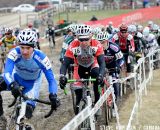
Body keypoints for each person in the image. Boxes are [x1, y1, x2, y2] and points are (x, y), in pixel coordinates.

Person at [0, 29, 59, 125]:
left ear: (34, 46)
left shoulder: (41, 58)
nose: (24, 51)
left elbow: (51, 80)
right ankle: (1, 117)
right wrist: (11, 84)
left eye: (28, 48)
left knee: (26, 112)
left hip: (31, 84)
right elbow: (7, 73)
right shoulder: (14, 53)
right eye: (22, 47)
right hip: (16, 78)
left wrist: (53, 95)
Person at [59, 25, 105, 114]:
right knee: (78, 93)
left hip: (93, 64)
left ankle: (97, 102)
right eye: (81, 40)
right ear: (77, 37)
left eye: (86, 39)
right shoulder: (73, 45)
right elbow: (65, 63)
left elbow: (102, 62)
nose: (84, 42)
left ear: (91, 36)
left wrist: (101, 75)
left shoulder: (96, 44)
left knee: (96, 76)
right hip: (79, 66)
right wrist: (62, 76)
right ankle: (78, 110)